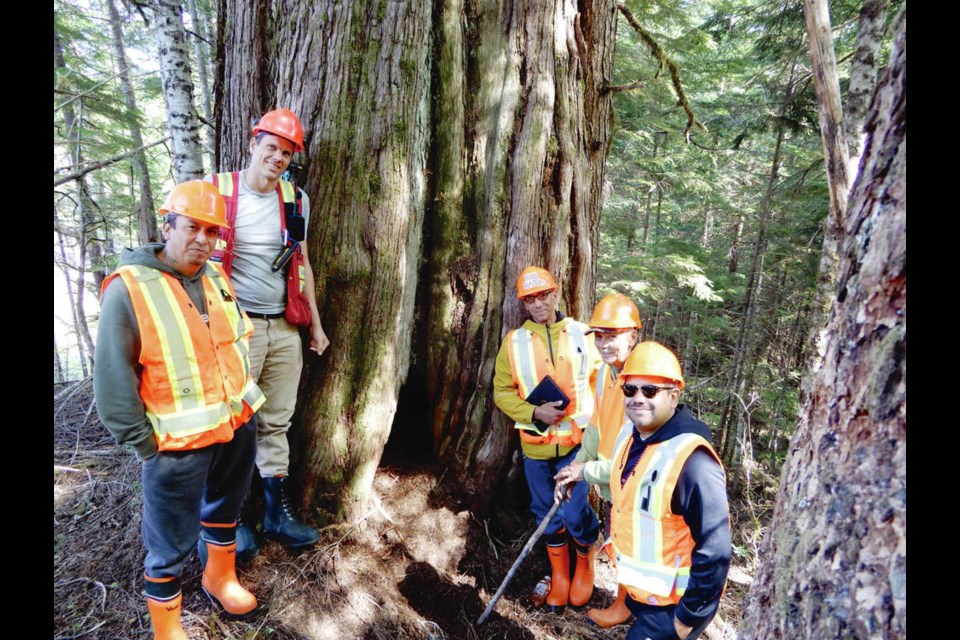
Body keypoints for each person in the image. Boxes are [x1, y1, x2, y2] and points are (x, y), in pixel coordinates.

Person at [93, 181, 265, 639]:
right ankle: (167, 628)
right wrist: (143, 443)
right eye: (193, 228)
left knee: (226, 511)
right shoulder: (129, 288)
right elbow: (112, 377)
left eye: (213, 232)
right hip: (173, 446)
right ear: (168, 224)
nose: (204, 241)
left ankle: (220, 577)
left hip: (234, 427)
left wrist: (246, 413)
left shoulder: (214, 275)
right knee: (168, 542)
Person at [206, 108, 329, 556]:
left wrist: (315, 324)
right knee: (233, 422)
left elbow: (303, 263)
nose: (277, 157)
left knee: (276, 421)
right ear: (254, 142)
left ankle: (277, 515)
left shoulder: (296, 199)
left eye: (287, 152)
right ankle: (228, 519)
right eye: (271, 146)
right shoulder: (218, 191)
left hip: (283, 327)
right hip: (236, 330)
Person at [492, 266, 602, 613]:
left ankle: (585, 563)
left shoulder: (584, 334)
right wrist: (533, 413)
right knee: (545, 511)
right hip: (536, 447)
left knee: (574, 509)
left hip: (577, 445)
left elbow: (603, 386)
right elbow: (501, 392)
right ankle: (560, 574)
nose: (538, 303)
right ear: (523, 302)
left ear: (555, 294)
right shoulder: (514, 342)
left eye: (543, 295)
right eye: (530, 298)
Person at [608, 342, 730, 640]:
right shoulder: (633, 438)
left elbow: (716, 551)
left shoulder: (693, 462)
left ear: (674, 396)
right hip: (646, 597)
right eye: (630, 390)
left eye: (650, 391)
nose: (638, 398)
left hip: (673, 607)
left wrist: (687, 618)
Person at [554, 292, 642, 627]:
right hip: (611, 484)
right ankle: (624, 602)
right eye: (600, 336)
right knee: (618, 544)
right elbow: (595, 428)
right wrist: (575, 466)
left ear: (633, 335)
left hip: (630, 484)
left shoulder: (640, 384)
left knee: (632, 547)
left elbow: (635, 457)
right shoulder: (607, 374)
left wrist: (585, 470)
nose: (604, 344)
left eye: (613, 336)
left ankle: (628, 607)